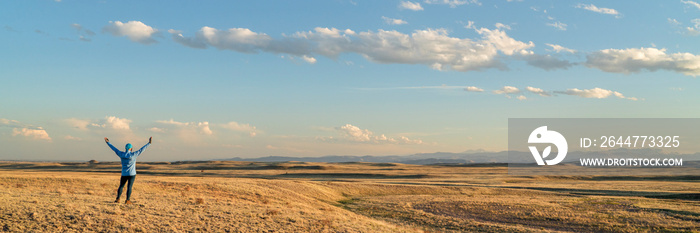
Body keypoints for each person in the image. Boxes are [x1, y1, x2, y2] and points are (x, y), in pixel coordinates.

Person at [104, 136, 152, 204]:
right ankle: (127, 200)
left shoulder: (121, 154)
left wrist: (108, 142)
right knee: (129, 187)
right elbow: (142, 149)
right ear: (131, 149)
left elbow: (114, 149)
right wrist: (149, 143)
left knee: (121, 186)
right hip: (132, 174)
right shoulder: (134, 154)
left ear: (125, 148)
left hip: (124, 173)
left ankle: (118, 199)